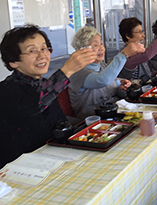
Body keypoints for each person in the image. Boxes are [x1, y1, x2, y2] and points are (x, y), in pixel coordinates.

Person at [0, 25, 97, 167]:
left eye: (44, 48)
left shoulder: (45, 85)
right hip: (19, 172)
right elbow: (34, 105)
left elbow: (60, 124)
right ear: (13, 62)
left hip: (54, 161)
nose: (42, 55)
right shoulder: (5, 90)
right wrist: (67, 70)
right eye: (32, 51)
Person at [68, 26, 145, 121]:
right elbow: (102, 80)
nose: (101, 48)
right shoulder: (77, 72)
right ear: (82, 49)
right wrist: (124, 54)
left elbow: (119, 92)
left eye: (101, 43)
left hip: (115, 114)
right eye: (95, 45)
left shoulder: (103, 66)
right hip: (94, 121)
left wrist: (122, 88)